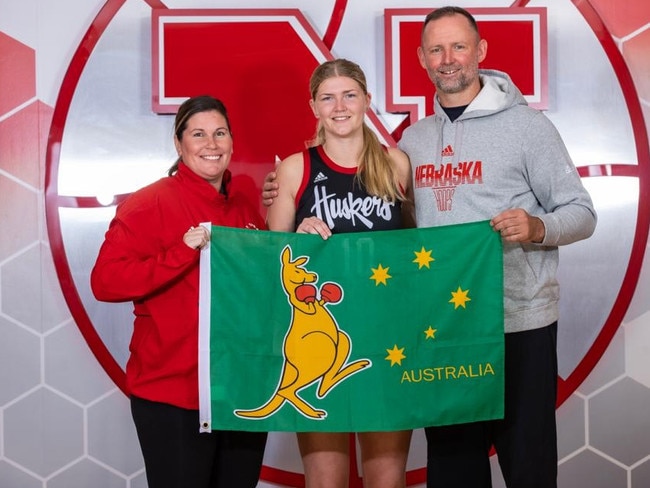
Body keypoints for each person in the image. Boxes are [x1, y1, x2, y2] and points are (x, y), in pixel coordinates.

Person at [263, 7, 597, 488]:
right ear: (421, 58)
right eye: (436, 49)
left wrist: (537, 226)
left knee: (527, 464)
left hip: (516, 321)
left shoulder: (528, 128)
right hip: (441, 331)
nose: (448, 59)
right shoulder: (413, 142)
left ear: (480, 51)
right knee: (454, 468)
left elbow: (582, 212)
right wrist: (280, 204)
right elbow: (401, 232)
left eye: (459, 46)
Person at [91, 95, 268, 488]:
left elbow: (265, 287)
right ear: (178, 143)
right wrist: (180, 253)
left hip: (239, 391)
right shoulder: (149, 204)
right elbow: (105, 282)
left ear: (232, 142)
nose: (212, 144)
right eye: (199, 134)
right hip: (173, 396)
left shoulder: (243, 208)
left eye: (220, 133)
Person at [266, 58, 414, 488]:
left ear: (367, 100)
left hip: (386, 342)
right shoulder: (296, 168)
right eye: (328, 98)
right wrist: (295, 234)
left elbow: (417, 251)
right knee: (324, 480)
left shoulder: (396, 164)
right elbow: (272, 260)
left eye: (350, 95)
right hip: (319, 343)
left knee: (387, 479)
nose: (340, 106)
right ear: (313, 106)